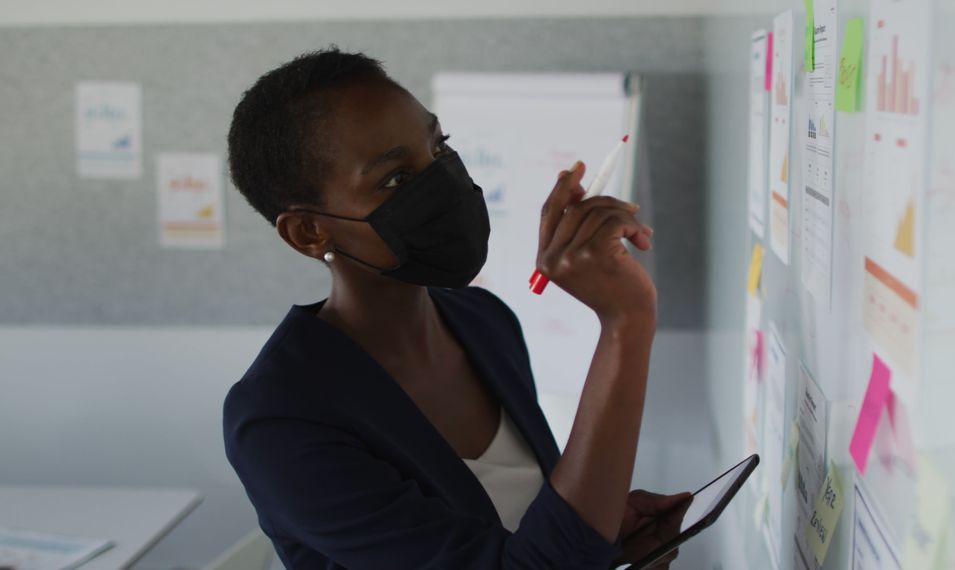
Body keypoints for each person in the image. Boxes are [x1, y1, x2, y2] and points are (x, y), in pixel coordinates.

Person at [222, 46, 691, 569]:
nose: (443, 181)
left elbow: (534, 531)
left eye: (438, 147)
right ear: (308, 231)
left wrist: (605, 531)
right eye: (396, 179)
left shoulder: (483, 320)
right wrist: (625, 323)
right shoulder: (281, 419)